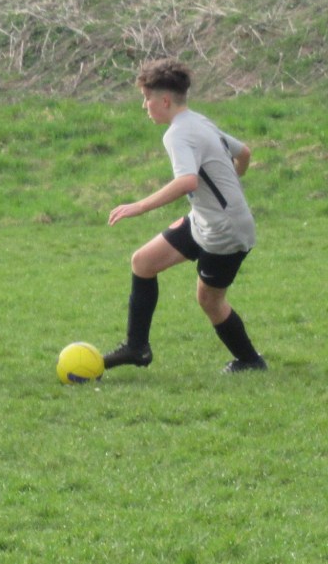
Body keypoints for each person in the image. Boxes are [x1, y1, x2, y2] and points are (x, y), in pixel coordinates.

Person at [103, 58, 266, 374]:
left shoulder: (177, 134)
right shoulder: (198, 121)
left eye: (147, 99)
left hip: (225, 232)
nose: (144, 106)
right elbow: (244, 152)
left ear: (164, 101)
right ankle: (137, 348)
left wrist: (139, 206)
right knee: (143, 262)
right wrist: (232, 181)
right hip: (205, 221)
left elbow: (187, 181)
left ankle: (250, 361)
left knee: (210, 301)